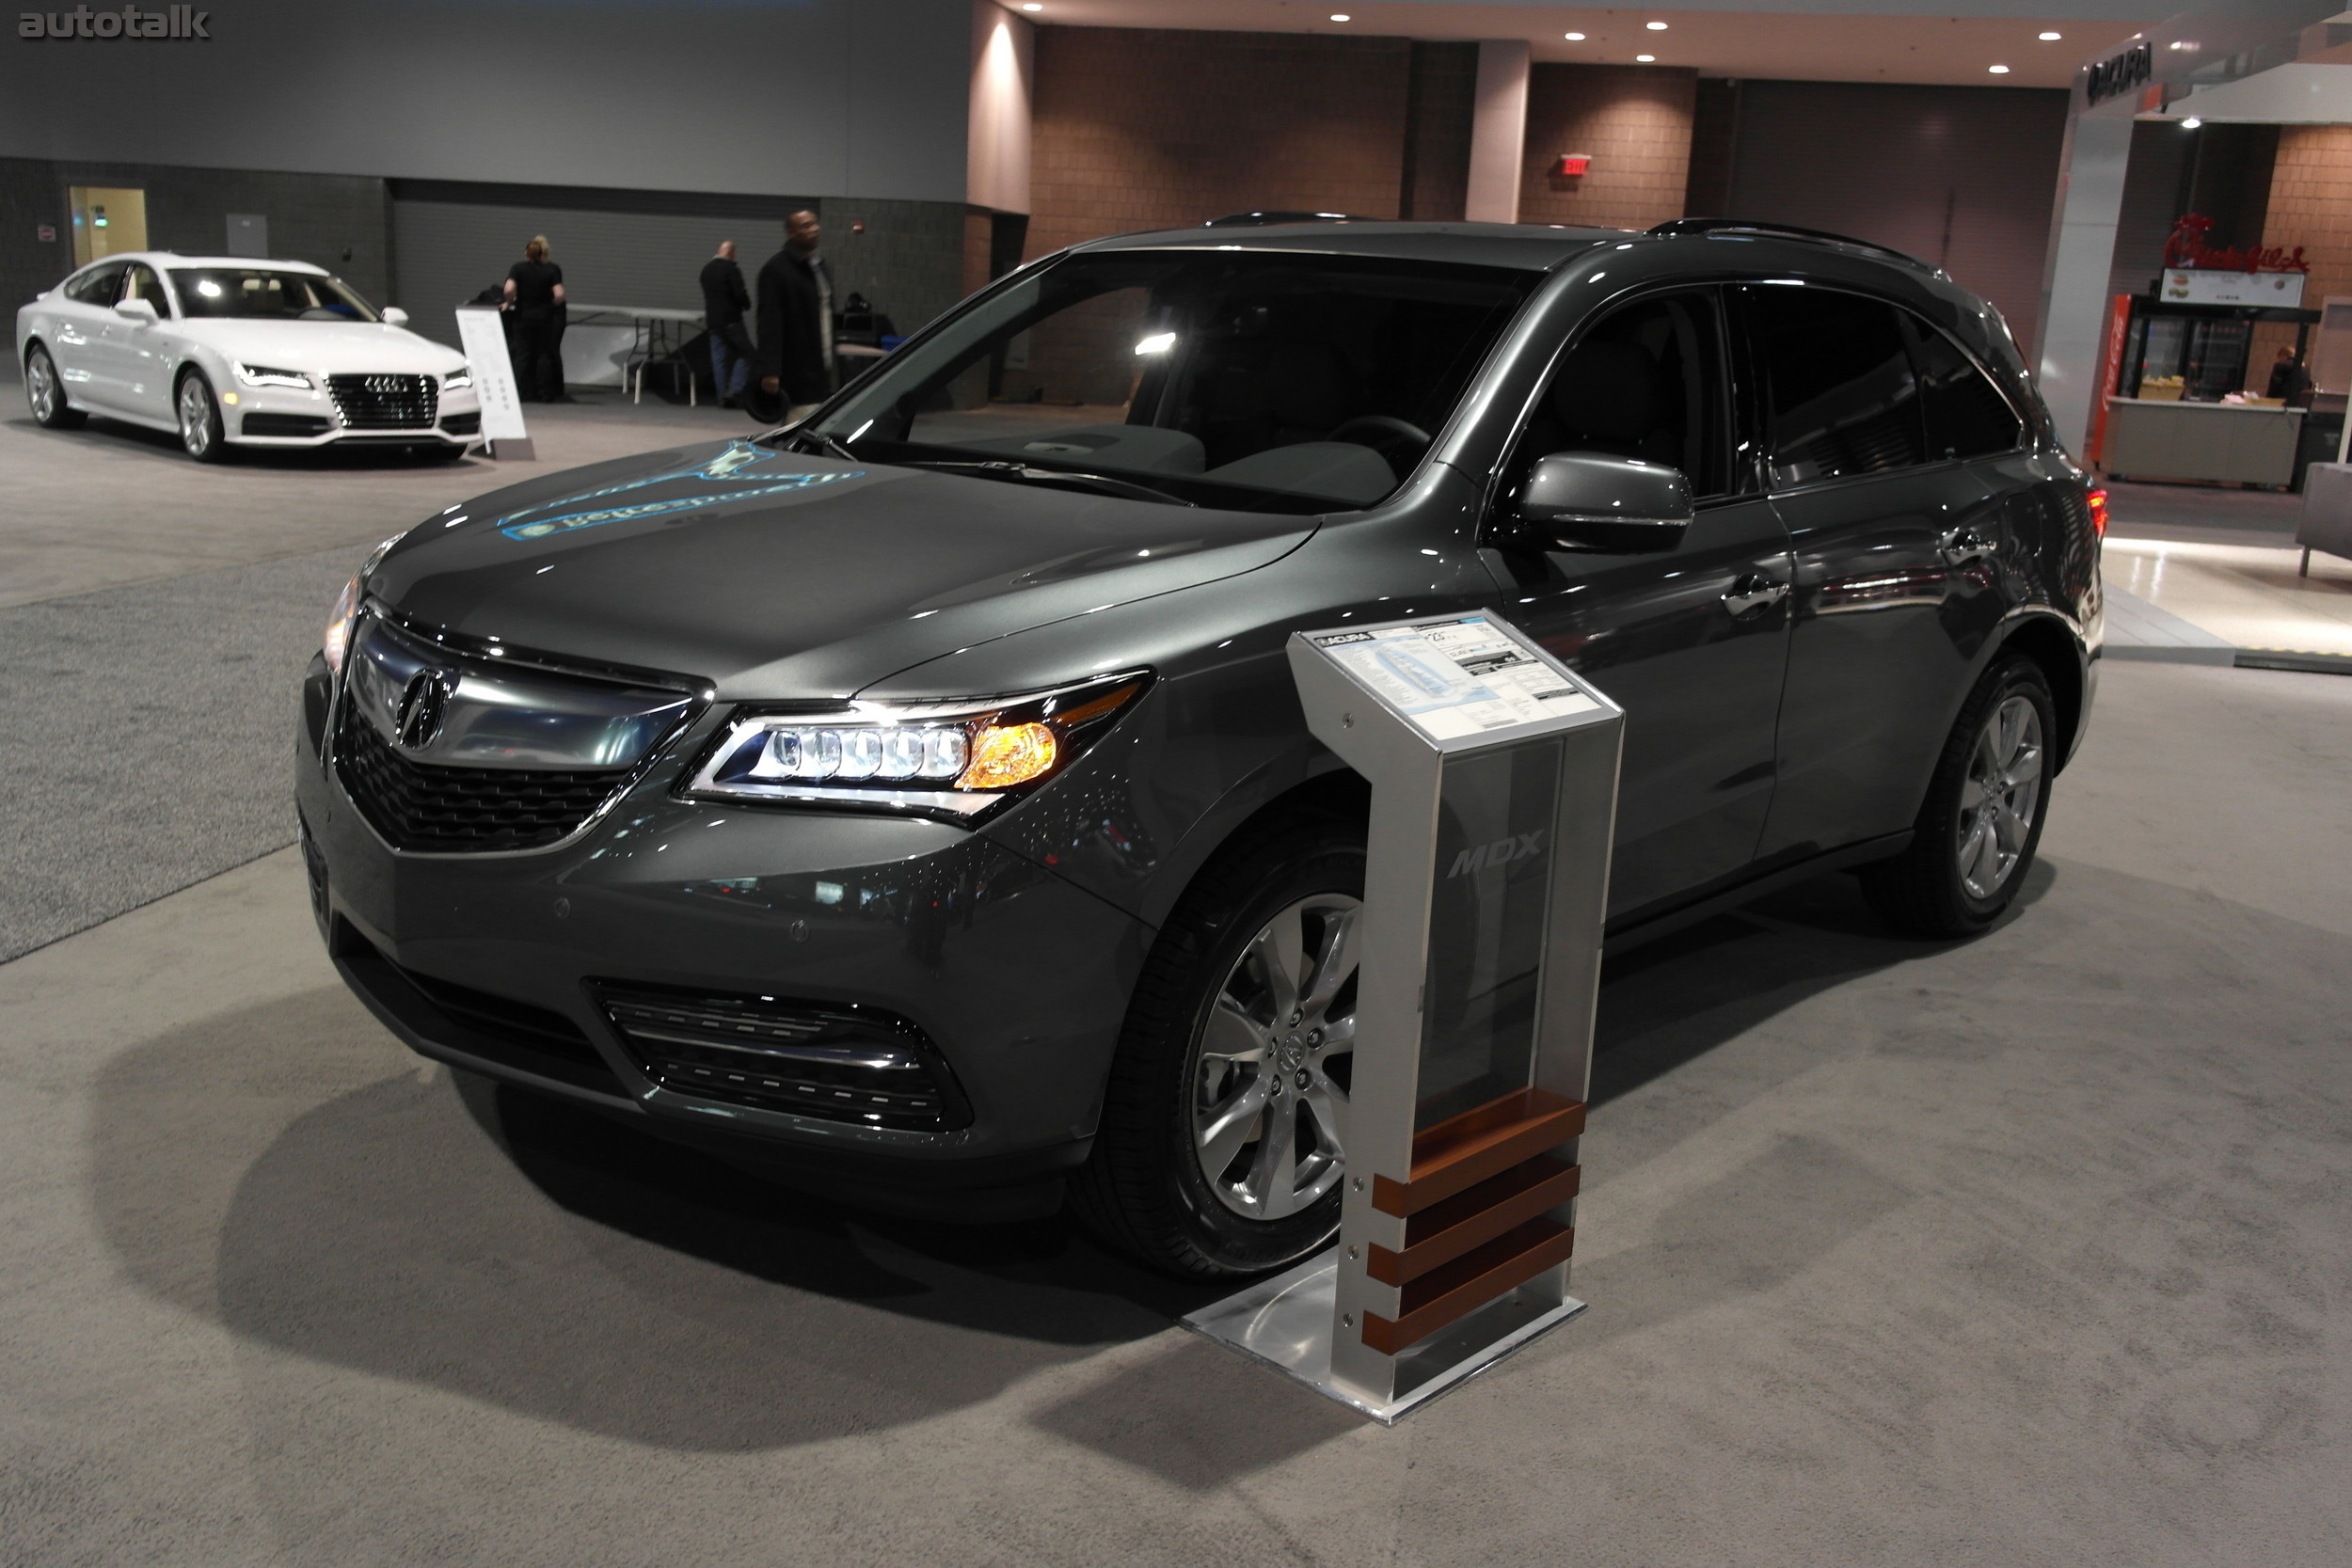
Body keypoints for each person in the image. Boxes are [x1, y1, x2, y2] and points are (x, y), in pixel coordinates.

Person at [756, 209, 835, 423]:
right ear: (792, 233)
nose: (814, 229)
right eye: (806, 226)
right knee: (800, 426)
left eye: (815, 224)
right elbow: (769, 323)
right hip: (798, 370)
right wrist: (770, 371)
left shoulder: (820, 267)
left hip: (824, 367)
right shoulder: (776, 270)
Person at [503, 235, 566, 402]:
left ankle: (518, 392)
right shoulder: (551, 270)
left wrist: (510, 302)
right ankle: (544, 393)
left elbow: (509, 289)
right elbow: (560, 294)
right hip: (544, 318)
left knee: (522, 355)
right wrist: (551, 304)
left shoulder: (518, 268)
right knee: (543, 355)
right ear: (541, 254)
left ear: (526, 253)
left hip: (523, 316)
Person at [699, 240, 754, 407]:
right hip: (731, 320)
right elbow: (739, 293)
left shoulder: (706, 270)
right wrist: (746, 304)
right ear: (731, 253)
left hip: (713, 322)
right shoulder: (731, 269)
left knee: (719, 360)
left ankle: (722, 397)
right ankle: (735, 390)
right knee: (748, 354)